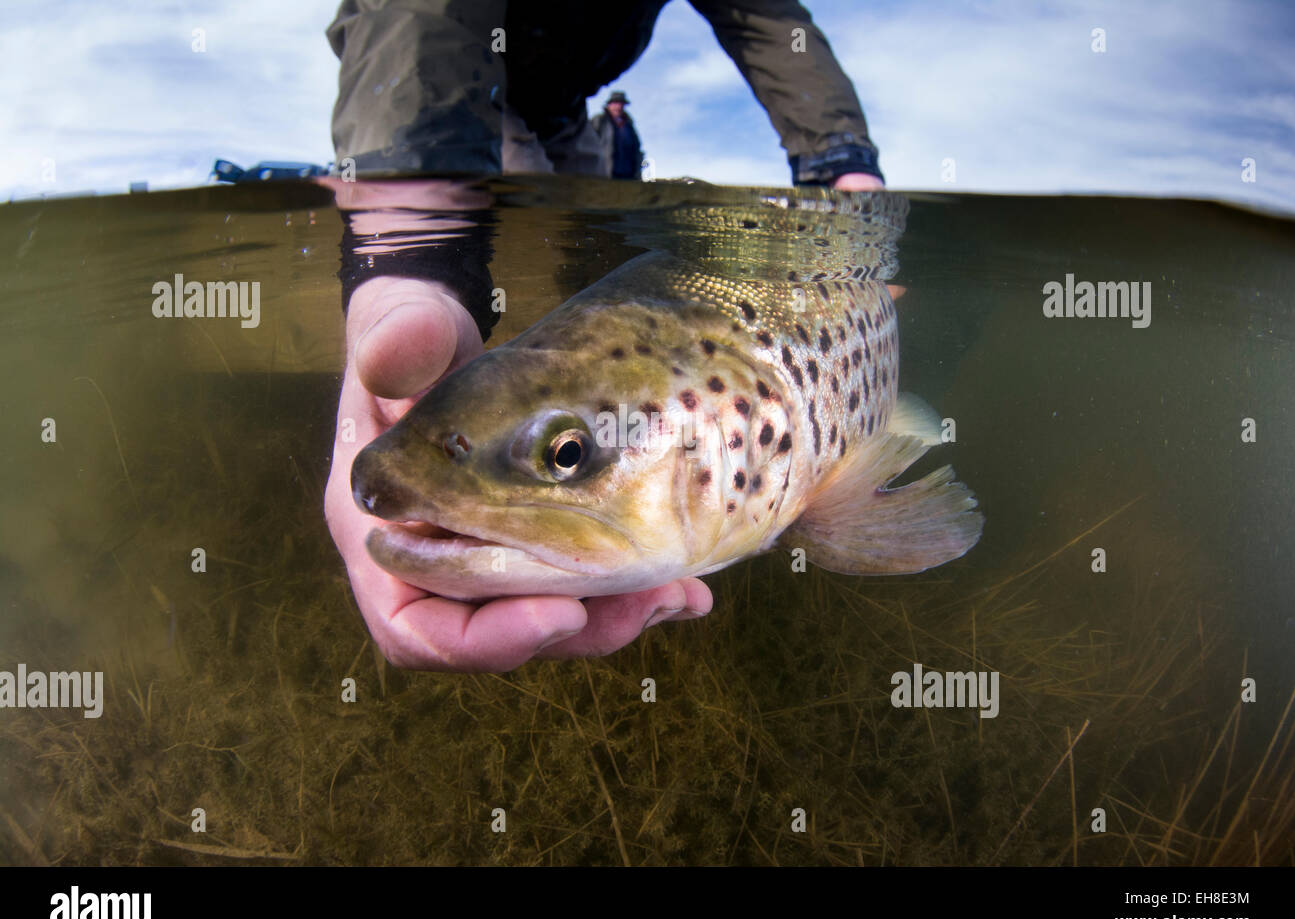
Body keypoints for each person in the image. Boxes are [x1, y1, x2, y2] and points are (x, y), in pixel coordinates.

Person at [322, 0, 887, 672]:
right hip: (441, 71)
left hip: (566, 98)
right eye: (566, 453)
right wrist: (410, 254)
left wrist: (843, 162)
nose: (567, 454)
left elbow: (760, 13)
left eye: (567, 454)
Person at [590, 91, 644, 180]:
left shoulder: (629, 125)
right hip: (605, 175)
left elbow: (637, 149)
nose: (618, 107)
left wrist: (638, 174)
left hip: (629, 176)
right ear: (609, 105)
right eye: (615, 103)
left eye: (621, 104)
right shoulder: (599, 120)